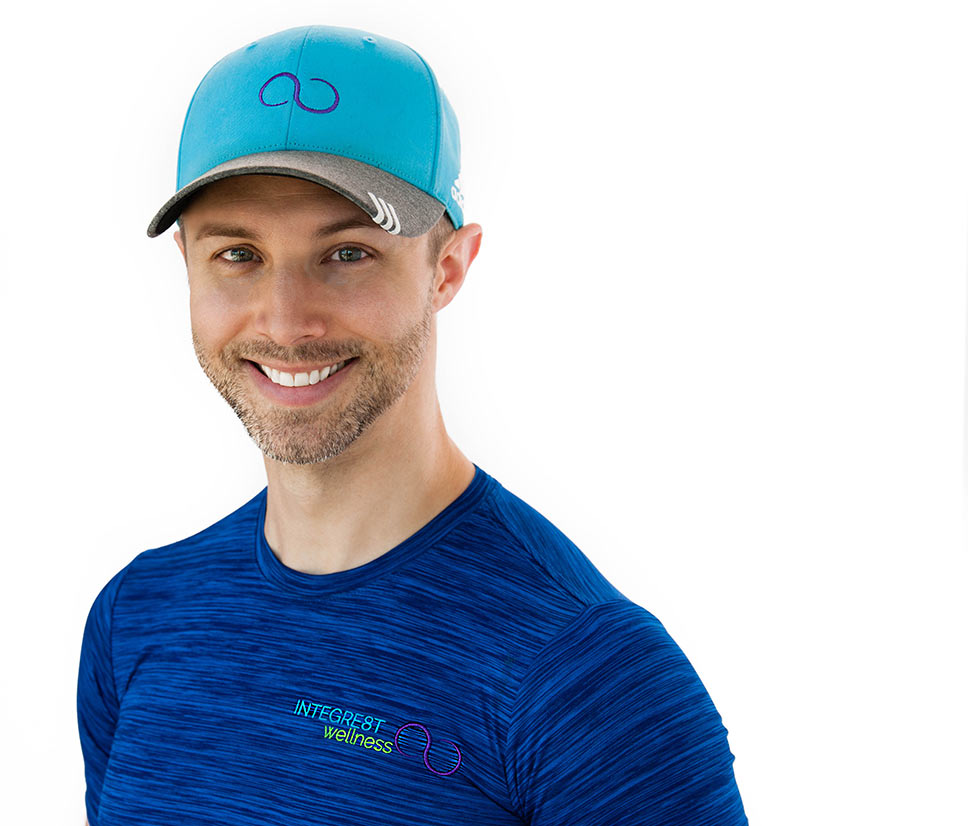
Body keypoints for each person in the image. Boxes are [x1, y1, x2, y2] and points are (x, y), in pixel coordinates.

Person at [78, 24, 748, 826]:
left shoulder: (585, 676)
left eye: (347, 254)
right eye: (239, 255)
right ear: (187, 260)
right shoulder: (139, 619)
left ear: (449, 267)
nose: (286, 322)